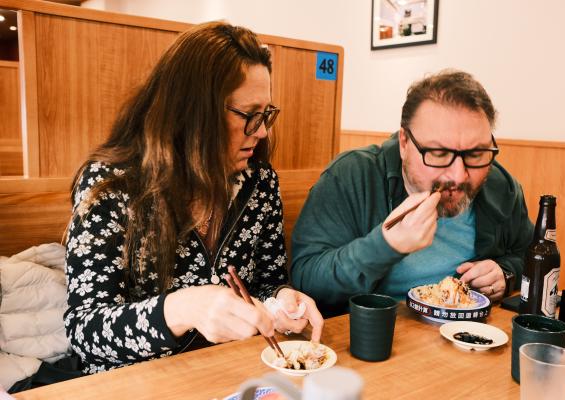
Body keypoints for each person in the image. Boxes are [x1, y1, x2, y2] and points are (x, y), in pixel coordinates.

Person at [64, 21, 323, 374]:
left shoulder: (258, 182)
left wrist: (282, 300)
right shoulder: (112, 185)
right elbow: (85, 329)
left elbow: (267, 280)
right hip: (140, 381)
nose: (261, 132)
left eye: (266, 115)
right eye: (250, 115)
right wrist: (182, 309)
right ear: (191, 111)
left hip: (231, 370)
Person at [290, 69, 534, 316]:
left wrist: (505, 273)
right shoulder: (352, 176)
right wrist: (386, 245)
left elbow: (534, 254)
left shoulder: (499, 185)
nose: (459, 176)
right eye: (439, 154)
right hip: (377, 339)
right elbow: (307, 278)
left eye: (475, 155)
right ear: (405, 143)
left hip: (469, 337)